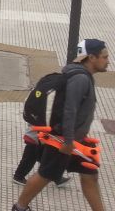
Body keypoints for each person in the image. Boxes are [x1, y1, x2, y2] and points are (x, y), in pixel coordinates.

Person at [12, 39, 109, 211]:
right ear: (92, 58)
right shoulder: (80, 79)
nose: (108, 61)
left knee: (90, 174)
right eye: (104, 57)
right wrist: (68, 141)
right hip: (65, 140)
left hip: (74, 139)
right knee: (45, 175)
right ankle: (19, 208)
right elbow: (69, 110)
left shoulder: (80, 75)